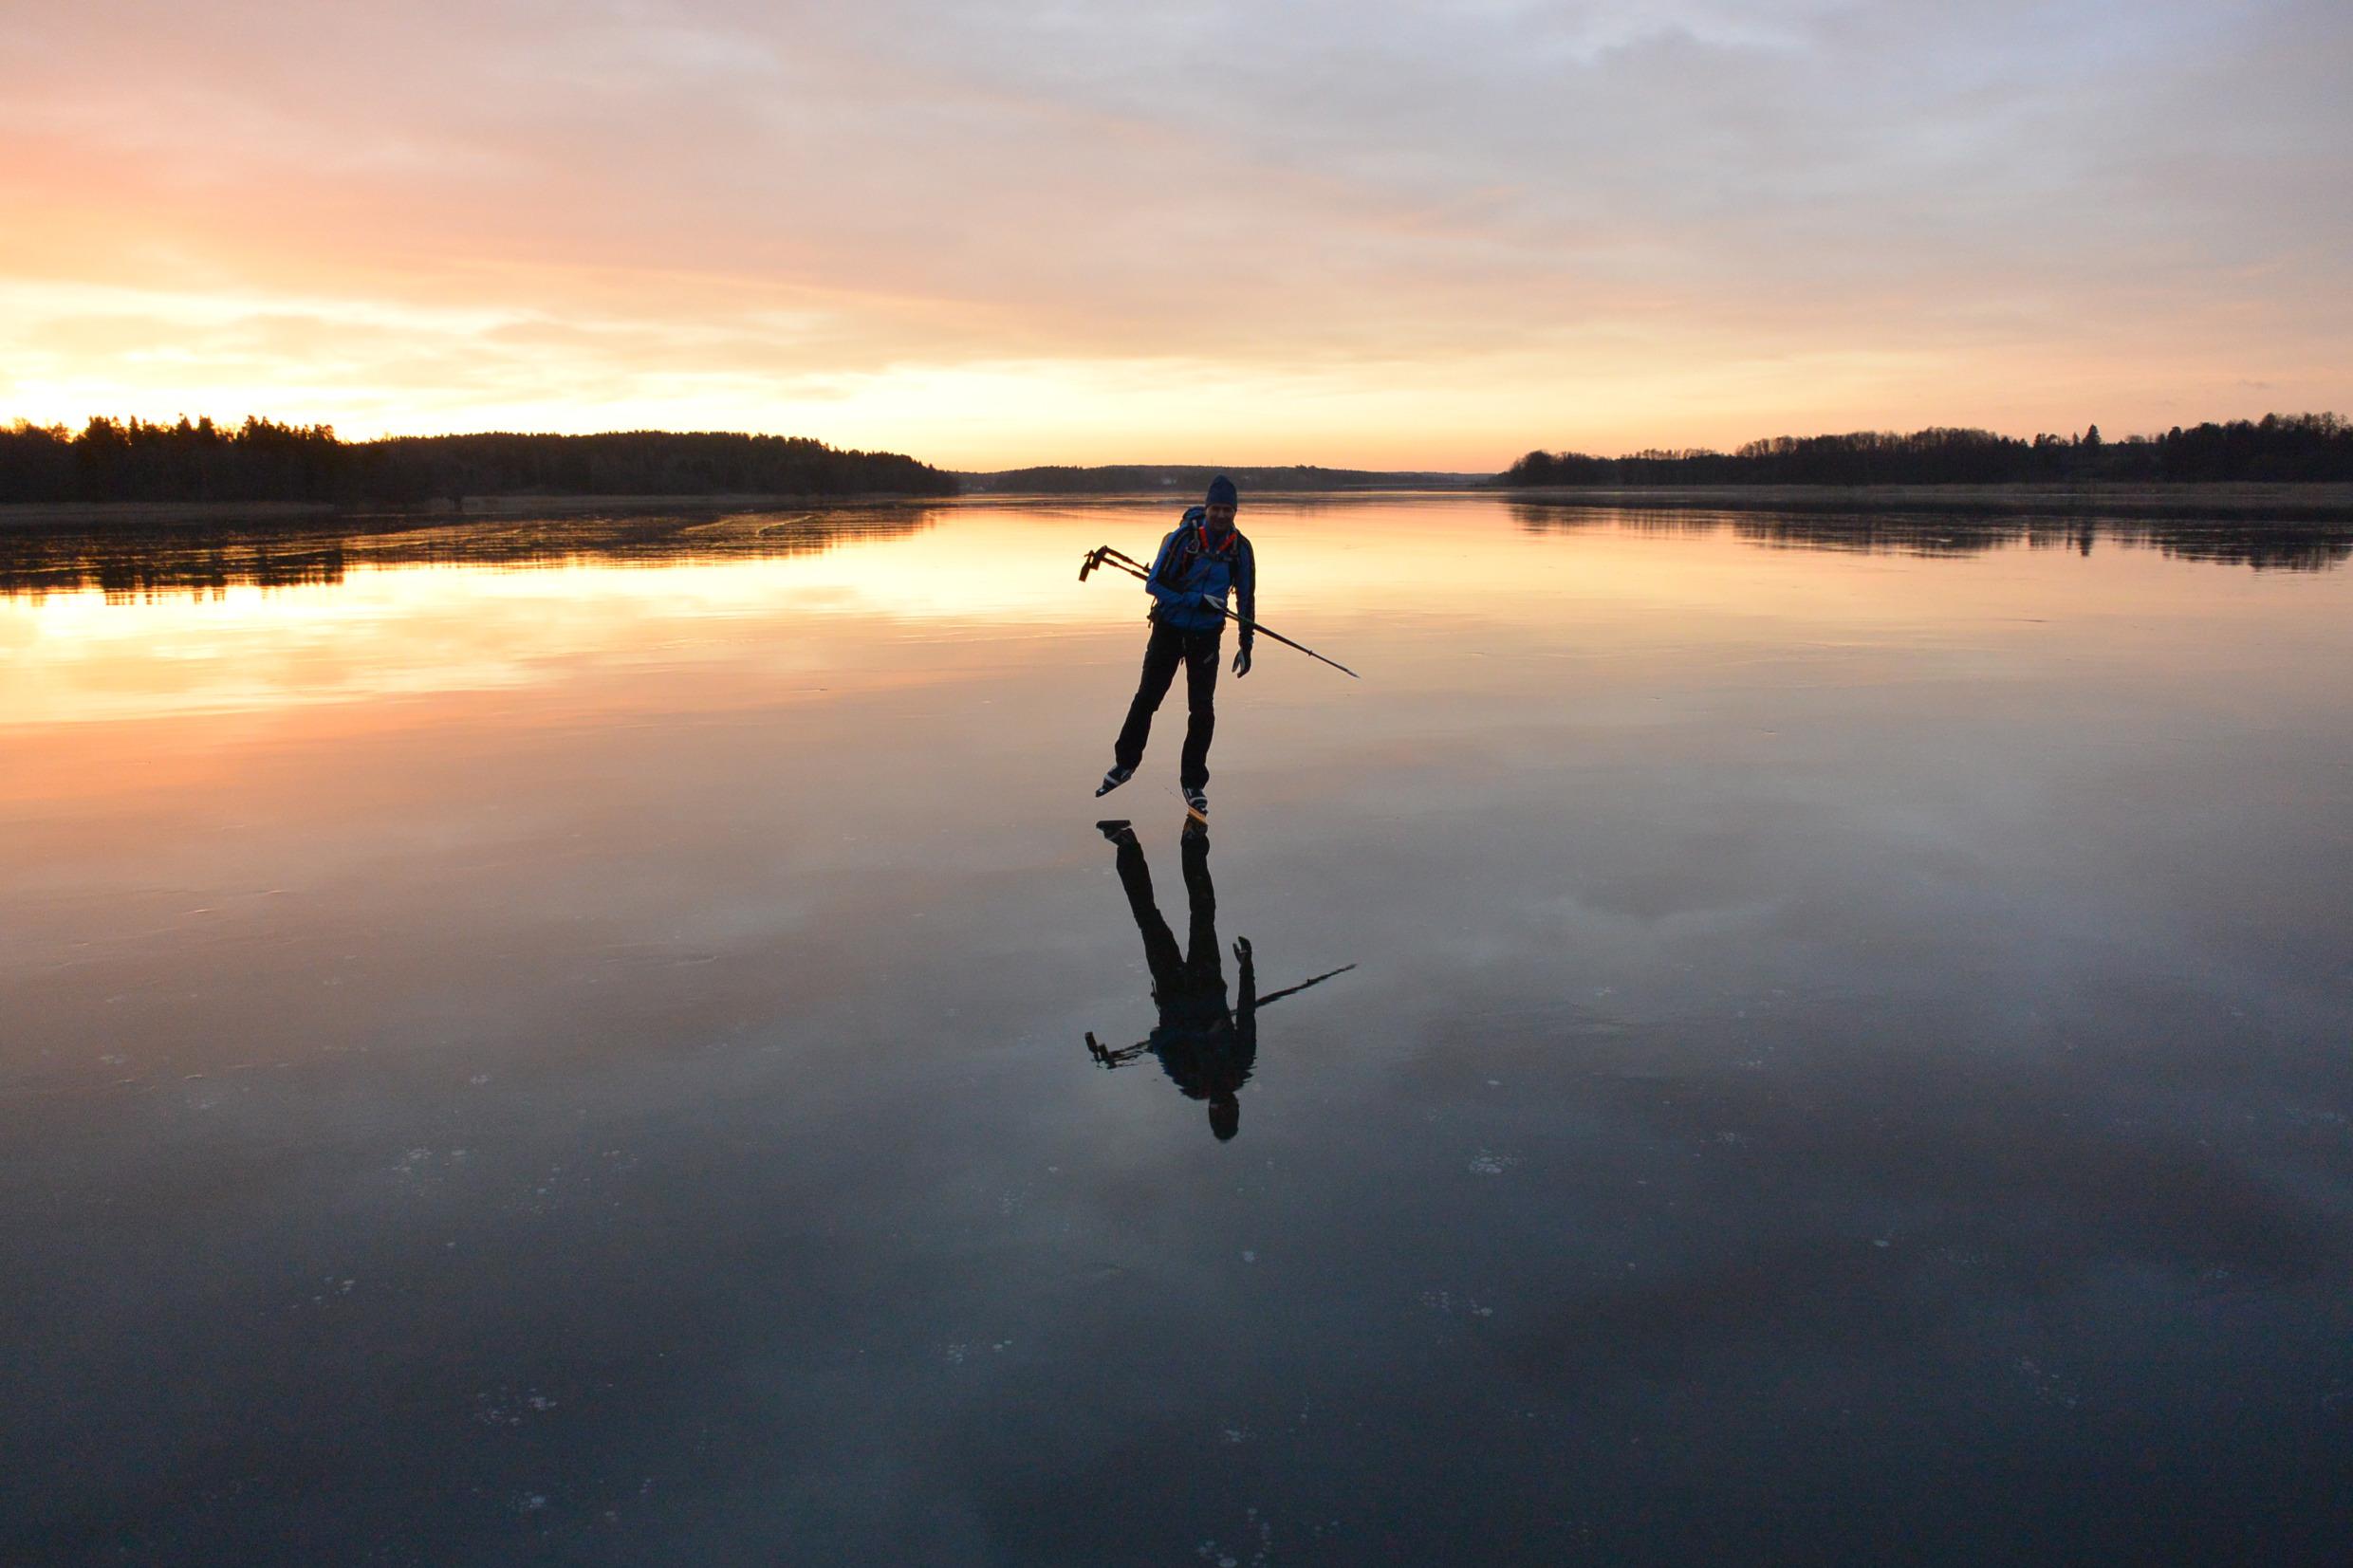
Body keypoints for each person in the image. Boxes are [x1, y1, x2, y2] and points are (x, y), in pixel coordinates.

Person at [1085, 818, 1354, 1142]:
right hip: (1208, 980)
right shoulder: (1240, 1063)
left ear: (1211, 1113)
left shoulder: (1189, 1081)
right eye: (1230, 1110)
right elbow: (1247, 1012)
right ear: (1237, 1106)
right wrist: (1245, 966)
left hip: (1171, 991)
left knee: (1148, 918)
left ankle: (1126, 843)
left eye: (1219, 1113)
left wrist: (1194, 1032)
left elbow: (1159, 1039)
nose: (1224, 1106)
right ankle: (1193, 840)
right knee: (1203, 911)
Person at [1095, 474, 1255, 818]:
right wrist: (1193, 599)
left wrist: (1247, 643)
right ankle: (1124, 764)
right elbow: (1153, 585)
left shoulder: (1240, 549)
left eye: (1228, 510)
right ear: (1207, 508)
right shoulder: (1183, 538)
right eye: (1216, 509)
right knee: (1147, 698)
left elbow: (1246, 598)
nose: (1222, 516)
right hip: (1169, 629)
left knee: (1202, 710)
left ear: (1236, 511)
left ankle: (1193, 782)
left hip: (1207, 637)